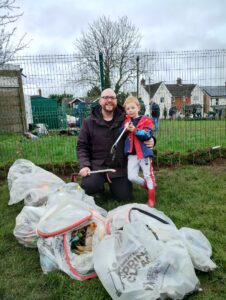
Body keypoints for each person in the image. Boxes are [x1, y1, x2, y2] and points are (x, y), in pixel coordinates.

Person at [77, 88, 155, 201]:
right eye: (105, 97)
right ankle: (98, 188)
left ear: (116, 101)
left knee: (124, 197)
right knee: (89, 187)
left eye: (112, 98)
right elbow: (81, 146)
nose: (109, 100)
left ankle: (116, 186)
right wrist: (85, 165)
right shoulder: (89, 122)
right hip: (97, 166)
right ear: (100, 101)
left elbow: (142, 127)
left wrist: (152, 139)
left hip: (118, 167)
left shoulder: (126, 118)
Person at [122, 96, 156, 207]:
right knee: (131, 176)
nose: (130, 110)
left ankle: (151, 199)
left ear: (138, 107)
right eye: (128, 109)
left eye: (133, 107)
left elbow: (147, 134)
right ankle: (147, 185)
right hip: (132, 154)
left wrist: (135, 130)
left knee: (148, 174)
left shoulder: (146, 120)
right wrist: (126, 130)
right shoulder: (126, 121)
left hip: (144, 153)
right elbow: (121, 134)